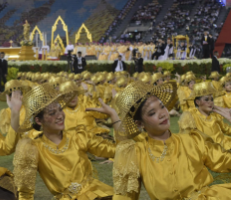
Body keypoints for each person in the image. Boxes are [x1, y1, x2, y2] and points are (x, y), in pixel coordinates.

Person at [95, 81, 231, 199]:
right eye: (152, 113)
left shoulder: (193, 140)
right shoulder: (136, 154)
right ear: (140, 123)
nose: (162, 114)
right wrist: (113, 115)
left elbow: (225, 161)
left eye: (162, 106)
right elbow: (125, 196)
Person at [13, 83, 116, 199]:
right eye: (52, 113)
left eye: (60, 110)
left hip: (98, 194)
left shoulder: (78, 136)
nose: (60, 116)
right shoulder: (32, 148)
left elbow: (119, 150)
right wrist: (15, 113)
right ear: (38, 120)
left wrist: (114, 116)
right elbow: (25, 192)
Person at [179, 81, 231, 150]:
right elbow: (186, 140)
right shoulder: (192, 117)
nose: (210, 102)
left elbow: (227, 129)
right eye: (206, 99)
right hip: (206, 153)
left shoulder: (215, 116)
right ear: (198, 102)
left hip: (224, 148)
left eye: (211, 99)